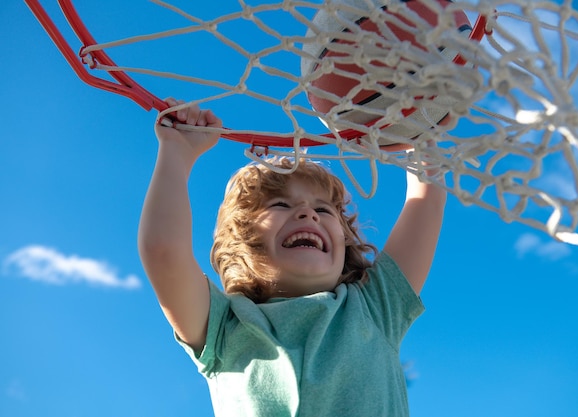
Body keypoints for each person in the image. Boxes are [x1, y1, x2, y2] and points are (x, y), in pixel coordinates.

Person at [138, 98, 447, 416]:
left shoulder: (375, 307)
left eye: (323, 209)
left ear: (343, 243)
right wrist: (177, 151)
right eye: (281, 206)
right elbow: (164, 252)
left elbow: (426, 201)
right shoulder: (224, 326)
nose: (307, 214)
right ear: (245, 239)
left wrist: (419, 132)